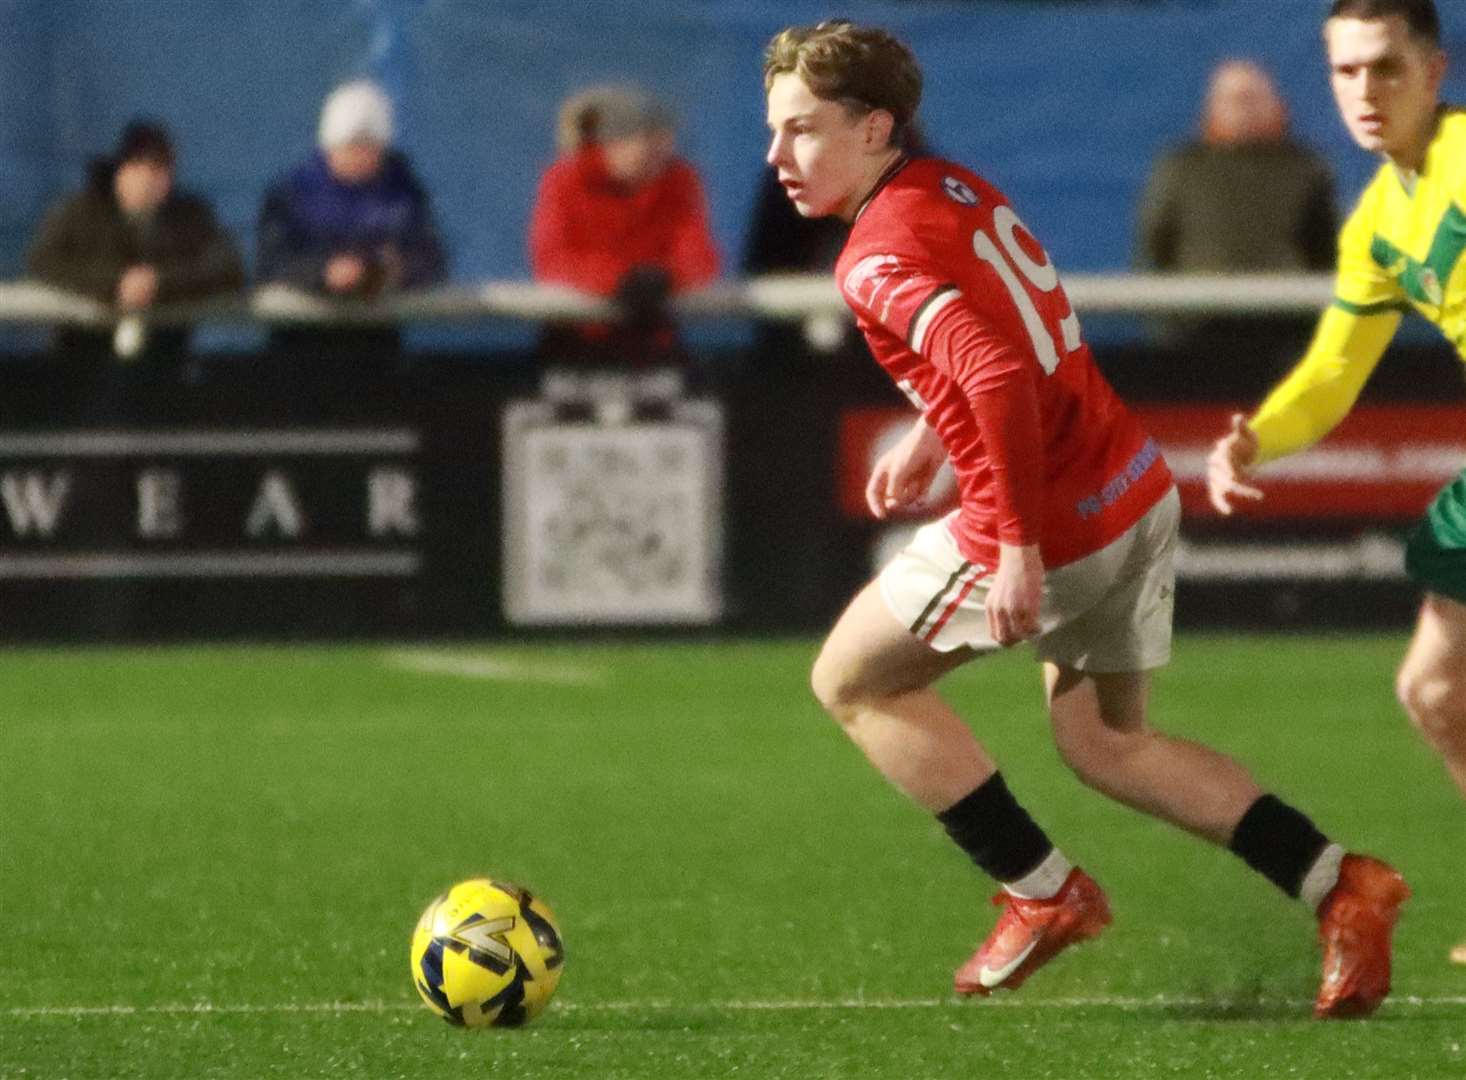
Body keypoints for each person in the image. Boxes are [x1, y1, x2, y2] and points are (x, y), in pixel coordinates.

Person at [763, 19, 1408, 1016]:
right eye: (775, 133)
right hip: (1131, 488)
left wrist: (1015, 545)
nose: (778, 157)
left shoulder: (868, 256)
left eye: (801, 130)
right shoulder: (951, 187)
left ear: (874, 125)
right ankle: (1340, 884)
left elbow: (992, 366)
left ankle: (1040, 892)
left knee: (849, 681)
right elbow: (1008, 332)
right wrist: (935, 432)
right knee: (1107, 745)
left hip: (1044, 521)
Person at [1206, 0, 1464, 966]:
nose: (1367, 91)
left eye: (1388, 68)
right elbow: (1331, 374)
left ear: (1435, 73)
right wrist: (1257, 440)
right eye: (1347, 72)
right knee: (1437, 689)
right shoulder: (1379, 219)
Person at [1136, 60, 1339, 372]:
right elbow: (1154, 249)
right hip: (1196, 333)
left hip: (1285, 335)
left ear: (1277, 106)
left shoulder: (1306, 169)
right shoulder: (1179, 168)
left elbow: (1326, 254)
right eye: (1233, 99)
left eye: (1253, 98)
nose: (1244, 109)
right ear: (1211, 109)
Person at [528, 85, 719, 367]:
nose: (643, 150)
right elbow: (552, 260)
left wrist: (665, 279)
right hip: (573, 340)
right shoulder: (563, 182)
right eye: (628, 137)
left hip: (654, 342)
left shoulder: (680, 182)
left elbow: (699, 257)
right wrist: (619, 280)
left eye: (653, 138)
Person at [26, 119, 245, 365]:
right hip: (81, 359)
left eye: (165, 170)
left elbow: (228, 265)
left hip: (164, 362)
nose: (157, 182)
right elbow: (43, 261)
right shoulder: (81, 211)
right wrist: (115, 284)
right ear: (123, 169)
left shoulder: (189, 216)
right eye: (147, 168)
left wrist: (158, 283)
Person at [256, 80, 447, 358]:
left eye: (369, 146)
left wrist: (392, 270)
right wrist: (323, 273)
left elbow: (430, 256)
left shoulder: (404, 194)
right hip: (301, 347)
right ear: (329, 146)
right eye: (350, 146)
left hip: (377, 346)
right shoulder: (291, 196)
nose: (360, 156)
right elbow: (272, 261)